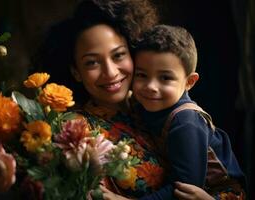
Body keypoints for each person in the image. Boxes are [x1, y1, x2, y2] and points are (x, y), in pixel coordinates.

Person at [35, 0, 218, 199]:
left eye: (119, 55)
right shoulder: (75, 130)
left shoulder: (155, 106)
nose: (110, 72)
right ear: (76, 72)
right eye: (92, 62)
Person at [127, 24, 245, 199]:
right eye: (142, 75)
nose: (151, 87)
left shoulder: (186, 121)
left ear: (190, 82)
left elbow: (185, 189)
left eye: (165, 78)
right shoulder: (143, 104)